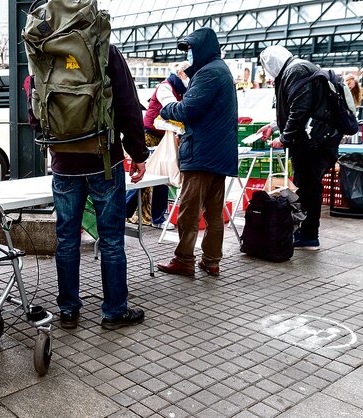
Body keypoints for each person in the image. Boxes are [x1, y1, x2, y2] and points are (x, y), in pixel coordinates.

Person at [31, 44, 149, 331]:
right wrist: (139, 153)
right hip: (103, 159)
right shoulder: (102, 47)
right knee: (110, 238)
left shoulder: (43, 51)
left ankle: (68, 310)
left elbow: (34, 110)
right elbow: (127, 104)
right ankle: (114, 311)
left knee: (67, 238)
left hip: (63, 163)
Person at [155, 27, 238, 277]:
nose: (189, 54)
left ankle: (184, 260)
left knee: (189, 211)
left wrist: (167, 106)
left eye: (191, 49)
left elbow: (188, 110)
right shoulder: (220, 70)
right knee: (214, 212)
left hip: (202, 153)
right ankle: (211, 260)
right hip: (219, 153)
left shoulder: (209, 73)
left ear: (201, 48)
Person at [256, 45, 340, 249]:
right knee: (307, 186)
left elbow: (300, 109)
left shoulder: (294, 71)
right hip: (318, 140)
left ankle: (309, 235)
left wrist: (284, 138)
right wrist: (274, 126)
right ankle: (305, 232)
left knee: (310, 188)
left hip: (313, 144)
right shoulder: (297, 68)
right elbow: (298, 107)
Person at [127, 61, 190, 230]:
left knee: (158, 177)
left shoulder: (182, 91)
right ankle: (147, 216)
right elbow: (171, 109)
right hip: (150, 136)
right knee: (148, 178)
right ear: (181, 74)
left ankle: (144, 214)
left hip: (166, 138)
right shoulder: (166, 88)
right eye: (188, 75)